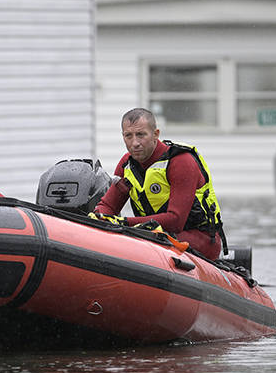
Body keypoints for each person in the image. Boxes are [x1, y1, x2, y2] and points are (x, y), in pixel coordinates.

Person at [93, 107, 226, 259]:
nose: (135, 143)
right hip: (151, 235)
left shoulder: (181, 162)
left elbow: (175, 221)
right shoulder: (126, 164)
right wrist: (98, 217)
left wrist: (122, 223)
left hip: (198, 238)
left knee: (148, 241)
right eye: (128, 136)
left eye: (141, 135)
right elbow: (109, 206)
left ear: (156, 134)